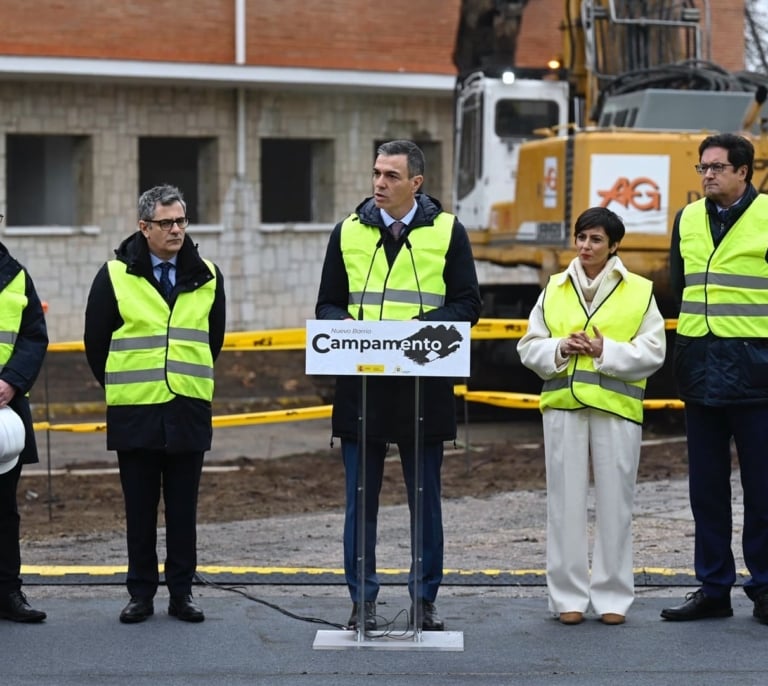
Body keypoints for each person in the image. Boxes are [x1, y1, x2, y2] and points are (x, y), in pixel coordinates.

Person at [315, 139, 482, 631]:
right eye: (376, 173)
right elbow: (326, 305)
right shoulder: (346, 232)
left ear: (416, 183)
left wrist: (414, 331)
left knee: (424, 504)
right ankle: (361, 601)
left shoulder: (448, 232)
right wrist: (356, 329)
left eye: (391, 175)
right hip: (361, 388)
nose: (379, 183)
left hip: (422, 387)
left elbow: (467, 305)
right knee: (359, 503)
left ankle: (424, 600)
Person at [517, 206, 666, 626]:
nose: (586, 246)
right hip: (564, 407)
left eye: (596, 239)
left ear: (614, 245)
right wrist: (561, 347)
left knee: (616, 503)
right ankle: (567, 598)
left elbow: (654, 352)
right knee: (562, 503)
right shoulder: (554, 288)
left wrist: (605, 351)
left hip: (616, 409)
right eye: (581, 237)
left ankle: (613, 598)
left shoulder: (640, 291)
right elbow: (529, 346)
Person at [84, 184, 226, 624]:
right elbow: (96, 344)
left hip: (187, 409)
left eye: (181, 221)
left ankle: (181, 593)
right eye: (166, 223)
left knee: (184, 511)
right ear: (144, 227)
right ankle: (141, 593)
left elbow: (213, 340)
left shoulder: (208, 275)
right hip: (136, 411)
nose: (176, 230)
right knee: (140, 511)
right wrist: (126, 386)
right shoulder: (113, 275)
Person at [661, 132, 768, 623]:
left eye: (717, 167)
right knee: (706, 489)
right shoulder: (686, 220)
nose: (707, 175)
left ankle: (764, 587)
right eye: (702, 167)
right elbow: (680, 286)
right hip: (700, 370)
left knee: (763, 489)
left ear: (744, 172)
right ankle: (713, 587)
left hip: (756, 374)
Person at [0, 214, 49, 623]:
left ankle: (7, 593)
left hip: (4, 414)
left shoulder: (15, 275)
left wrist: (11, 382)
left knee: (4, 509)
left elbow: (34, 335)